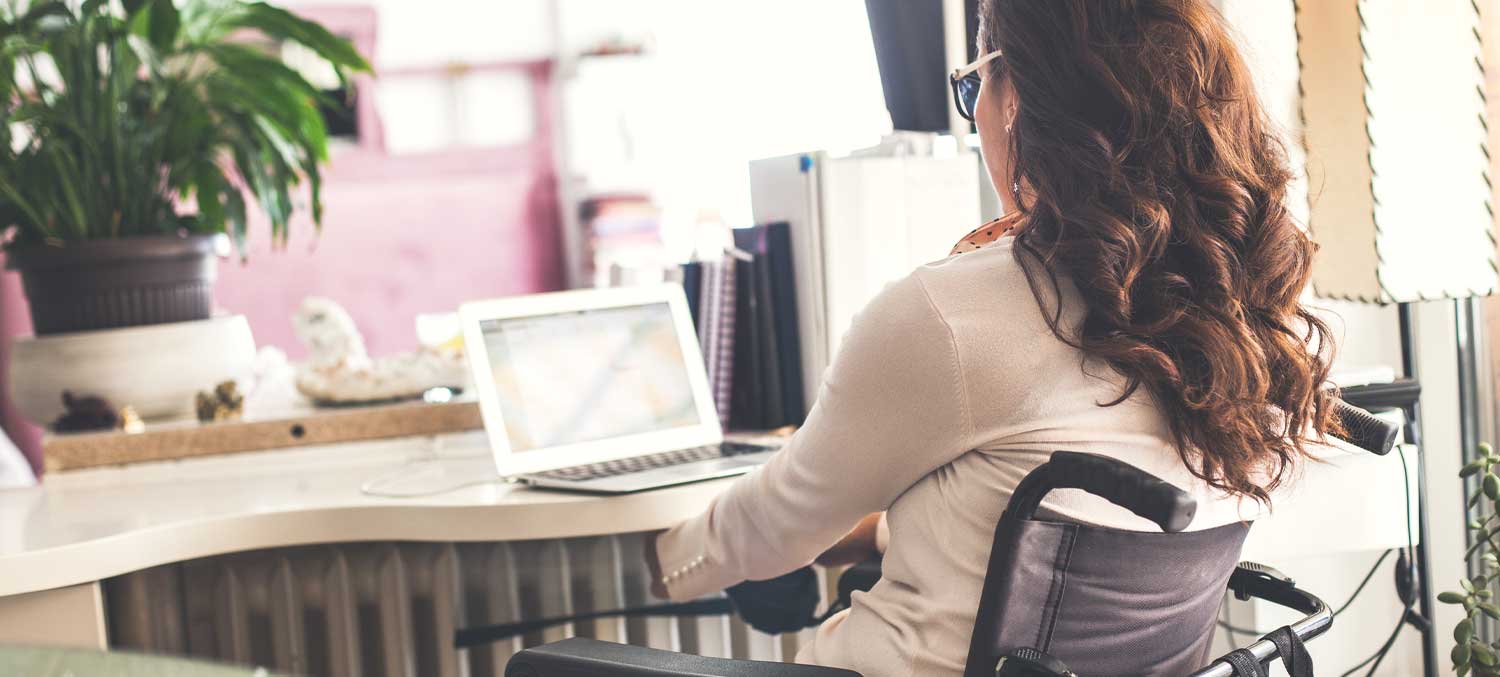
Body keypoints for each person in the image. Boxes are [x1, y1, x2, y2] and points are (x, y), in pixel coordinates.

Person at [645, 1, 1342, 675]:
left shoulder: (952, 313)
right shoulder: (1238, 316)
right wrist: (879, 531)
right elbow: (1041, 533)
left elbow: (774, 524)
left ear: (1018, 96)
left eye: (974, 81)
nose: (975, 110)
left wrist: (657, 559)